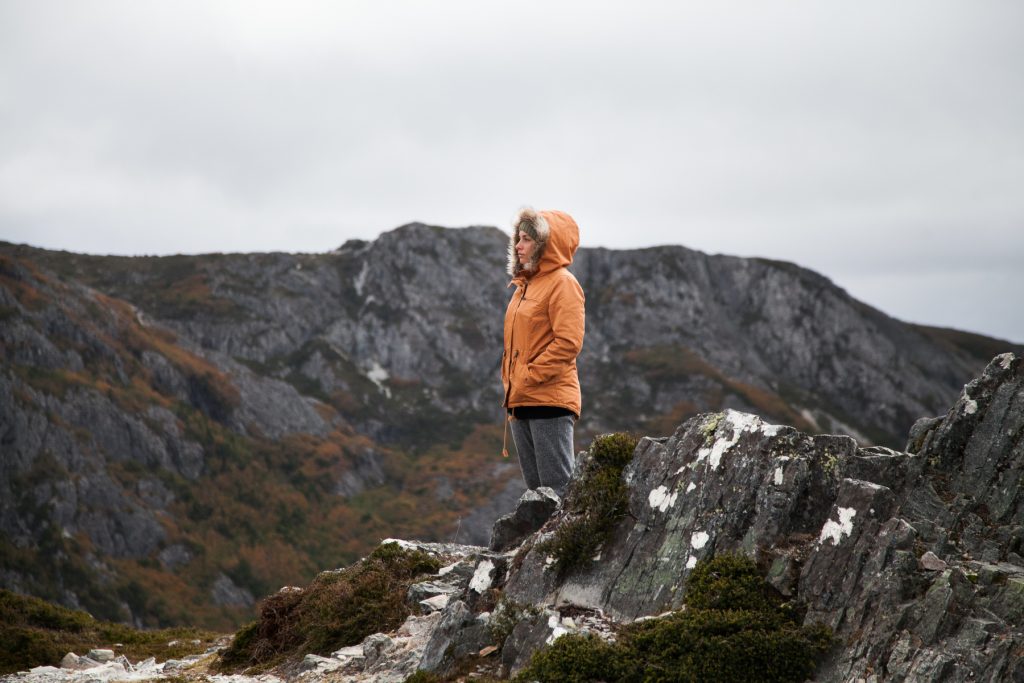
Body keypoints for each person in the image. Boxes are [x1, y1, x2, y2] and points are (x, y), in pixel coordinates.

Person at [501, 207, 585, 498]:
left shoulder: (563, 284)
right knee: (537, 495)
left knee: (557, 492)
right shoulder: (524, 286)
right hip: (521, 400)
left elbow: (568, 343)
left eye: (527, 239)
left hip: (549, 399)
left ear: (546, 244)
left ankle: (569, 544)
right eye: (518, 238)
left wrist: (529, 375)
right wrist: (517, 383)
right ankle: (543, 545)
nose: (518, 245)